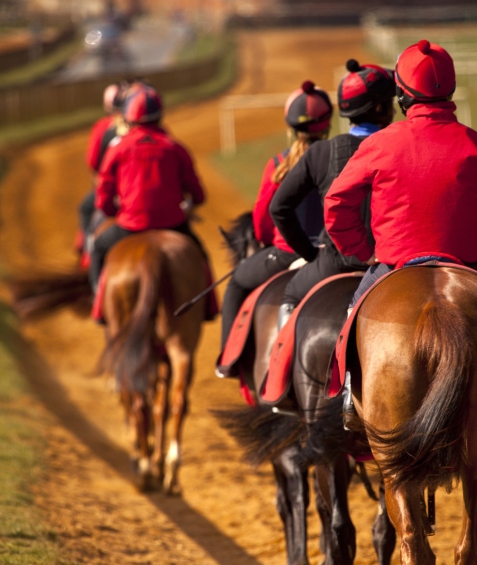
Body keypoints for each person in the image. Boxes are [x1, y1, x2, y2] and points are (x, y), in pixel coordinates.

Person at [324, 39, 477, 426]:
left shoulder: (379, 144)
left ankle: (347, 395)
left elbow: (336, 204)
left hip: (392, 264)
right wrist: (475, 245)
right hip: (468, 260)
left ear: (403, 96)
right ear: (451, 90)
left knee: (352, 314)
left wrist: (362, 250)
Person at [268, 60, 395, 330]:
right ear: (381, 107)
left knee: (290, 295)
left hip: (333, 263)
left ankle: (279, 373)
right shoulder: (402, 147)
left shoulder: (321, 152)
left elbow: (279, 207)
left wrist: (309, 253)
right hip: (393, 264)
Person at [217, 81, 333, 370]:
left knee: (236, 283)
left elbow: (261, 218)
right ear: (328, 124)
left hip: (286, 254)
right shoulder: (339, 157)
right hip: (332, 254)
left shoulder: (278, 163)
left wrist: (266, 239)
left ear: (291, 127)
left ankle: (228, 360)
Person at [89, 83, 205, 293]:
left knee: (97, 249)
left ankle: (99, 305)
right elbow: (198, 194)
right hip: (172, 224)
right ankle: (209, 305)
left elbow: (103, 195)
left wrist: (113, 212)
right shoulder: (175, 147)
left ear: (128, 117)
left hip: (129, 225)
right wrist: (189, 206)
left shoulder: (117, 148)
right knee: (200, 256)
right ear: (160, 116)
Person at [78, 83, 128, 239]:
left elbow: (94, 162)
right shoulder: (158, 135)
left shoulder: (104, 128)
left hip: (117, 194)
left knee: (85, 209)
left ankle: (88, 244)